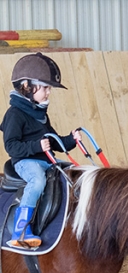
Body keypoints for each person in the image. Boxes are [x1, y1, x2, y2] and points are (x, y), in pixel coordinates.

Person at [0, 52, 81, 248]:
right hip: (25, 162)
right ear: (27, 86)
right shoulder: (14, 115)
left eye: (49, 88)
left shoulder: (39, 114)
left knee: (75, 174)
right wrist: (36, 146)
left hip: (46, 160)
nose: (48, 92)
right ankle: (21, 229)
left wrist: (71, 139)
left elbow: (53, 141)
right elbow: (11, 146)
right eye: (45, 87)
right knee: (37, 181)